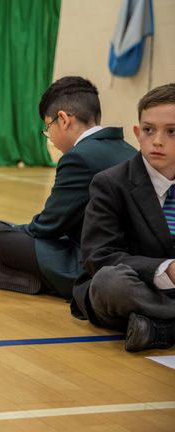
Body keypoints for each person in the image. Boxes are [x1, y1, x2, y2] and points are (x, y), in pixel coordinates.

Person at [0, 76, 137, 299]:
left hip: (89, 264)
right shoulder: (129, 151)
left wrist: (13, 230)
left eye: (47, 127)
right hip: (128, 258)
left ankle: (45, 280)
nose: (48, 135)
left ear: (63, 120)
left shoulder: (78, 158)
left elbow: (47, 226)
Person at [72, 83, 175, 352]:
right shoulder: (110, 183)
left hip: (157, 303)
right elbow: (99, 256)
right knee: (109, 282)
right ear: (137, 133)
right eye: (149, 130)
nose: (158, 141)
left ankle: (160, 329)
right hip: (138, 287)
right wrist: (165, 269)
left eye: (172, 132)